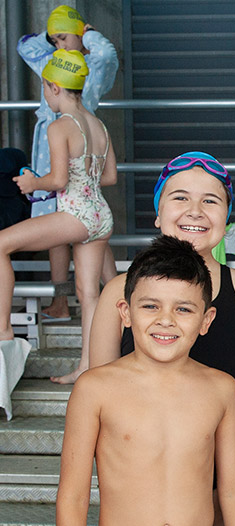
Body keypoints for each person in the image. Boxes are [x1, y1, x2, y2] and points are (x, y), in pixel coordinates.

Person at [89, 152, 235, 526]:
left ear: (226, 219)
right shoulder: (119, 293)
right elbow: (98, 403)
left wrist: (227, 487)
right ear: (158, 213)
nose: (195, 211)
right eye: (180, 198)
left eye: (211, 201)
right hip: (151, 490)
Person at [56, 235, 235, 526]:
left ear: (206, 319)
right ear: (126, 312)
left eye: (183, 309)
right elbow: (73, 494)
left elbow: (233, 488)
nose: (166, 321)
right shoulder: (95, 389)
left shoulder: (221, 389)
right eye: (150, 306)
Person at [4, 49, 116, 384]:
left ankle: (3, 332)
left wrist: (31, 182)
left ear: (54, 87)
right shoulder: (99, 125)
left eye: (44, 90)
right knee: (89, 293)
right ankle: (88, 365)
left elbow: (57, 181)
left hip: (75, 213)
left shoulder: (60, 127)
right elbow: (109, 178)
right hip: (99, 213)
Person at [18, 4, 118, 321]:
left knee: (71, 224)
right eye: (55, 40)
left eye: (63, 37)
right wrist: (56, 41)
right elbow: (24, 46)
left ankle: (118, 302)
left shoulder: (90, 68)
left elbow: (106, 53)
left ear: (54, 88)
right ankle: (62, 301)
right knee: (60, 224)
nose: (59, 45)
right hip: (70, 172)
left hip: (76, 155)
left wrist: (87, 34)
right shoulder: (54, 62)